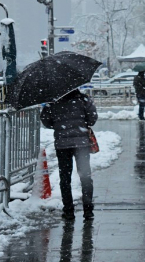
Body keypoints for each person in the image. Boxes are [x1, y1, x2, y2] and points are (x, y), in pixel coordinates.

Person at [40, 89, 98, 221]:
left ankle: (68, 211)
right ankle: (88, 210)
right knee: (85, 176)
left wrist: (59, 125)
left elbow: (46, 121)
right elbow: (92, 118)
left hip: (62, 144)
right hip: (81, 144)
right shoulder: (83, 100)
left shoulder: (53, 102)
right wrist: (82, 124)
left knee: (65, 178)